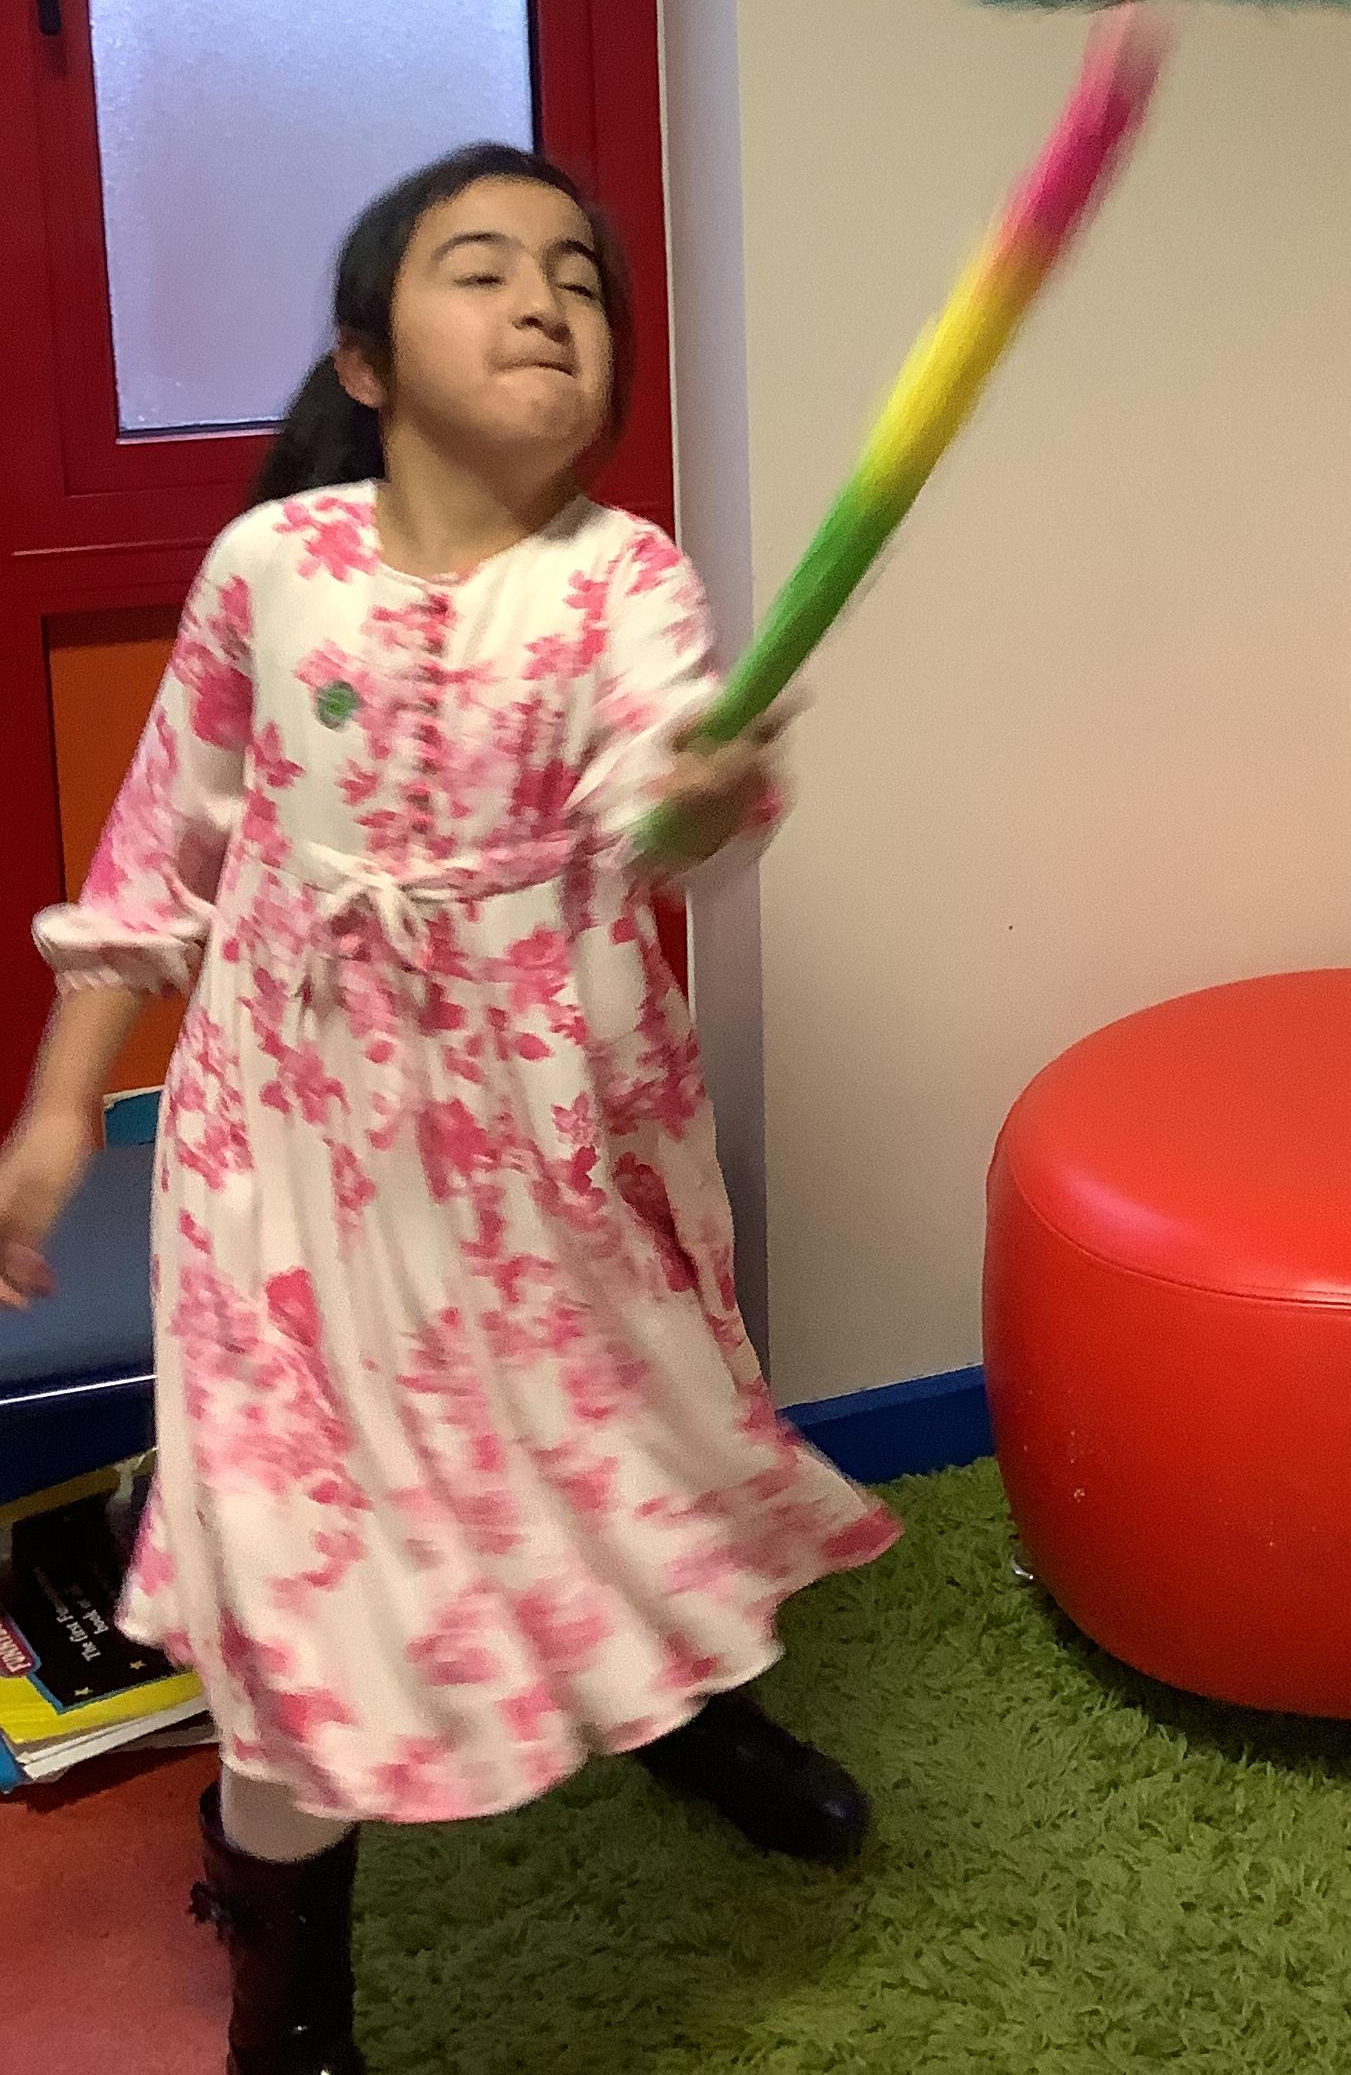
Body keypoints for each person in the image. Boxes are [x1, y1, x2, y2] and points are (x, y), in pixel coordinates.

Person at [0, 144, 897, 2075]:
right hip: (290, 1156)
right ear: (366, 361)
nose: (545, 299)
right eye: (480, 268)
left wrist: (706, 795)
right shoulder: (270, 569)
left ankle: (682, 1712)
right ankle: (286, 1982)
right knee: (299, 1562)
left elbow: (660, 810)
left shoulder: (624, 580)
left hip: (544, 1146)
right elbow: (156, 856)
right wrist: (61, 1113)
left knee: (620, 1451)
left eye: (578, 276)